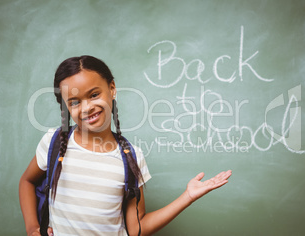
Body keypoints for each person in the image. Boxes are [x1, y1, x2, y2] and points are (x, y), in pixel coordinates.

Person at [19, 55, 232, 236]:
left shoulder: (131, 157)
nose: (87, 107)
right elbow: (27, 181)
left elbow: (136, 228)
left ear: (112, 89)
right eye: (74, 102)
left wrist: (187, 197)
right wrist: (33, 229)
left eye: (94, 95)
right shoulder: (54, 143)